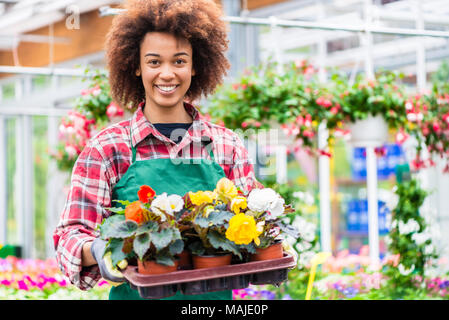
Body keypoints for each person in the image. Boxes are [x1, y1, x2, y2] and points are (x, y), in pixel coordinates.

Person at [53, 0, 264, 300]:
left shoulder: (226, 146)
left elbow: (252, 229)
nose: (167, 73)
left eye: (179, 61)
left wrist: (269, 233)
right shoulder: (108, 149)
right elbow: (70, 236)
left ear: (195, 66)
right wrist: (96, 249)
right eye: (154, 62)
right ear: (136, 67)